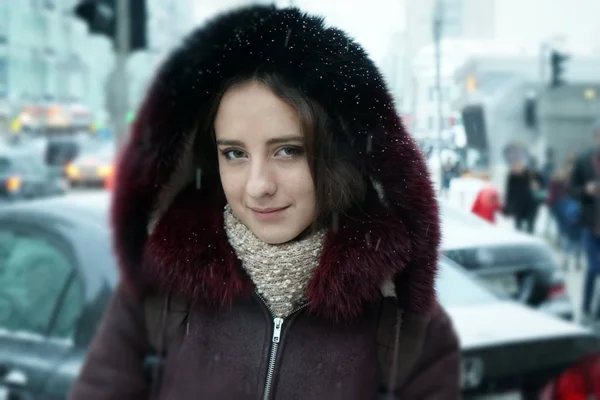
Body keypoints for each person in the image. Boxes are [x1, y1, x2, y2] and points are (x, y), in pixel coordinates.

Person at [68, 5, 459, 400]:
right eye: (234, 154)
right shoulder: (158, 290)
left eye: (288, 150)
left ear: (342, 156)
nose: (257, 187)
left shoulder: (405, 325)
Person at [570, 120, 600, 324]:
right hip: (591, 224)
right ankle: (586, 307)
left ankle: (597, 313)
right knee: (593, 268)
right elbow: (572, 189)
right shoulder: (583, 160)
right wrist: (585, 191)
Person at [505, 158, 544, 234]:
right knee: (518, 227)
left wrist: (538, 186)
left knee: (530, 227)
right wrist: (507, 207)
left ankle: (530, 242)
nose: (516, 169)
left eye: (518, 166)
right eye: (514, 167)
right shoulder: (512, 177)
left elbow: (542, 186)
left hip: (531, 205)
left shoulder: (531, 174)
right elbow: (509, 192)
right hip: (518, 206)